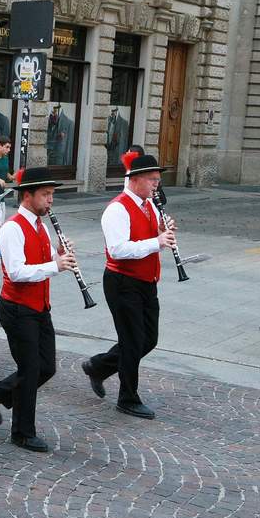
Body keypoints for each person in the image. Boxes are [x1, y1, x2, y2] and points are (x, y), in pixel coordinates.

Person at [0, 168, 78, 452]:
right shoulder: (11, 228)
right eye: (45, 195)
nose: (50, 201)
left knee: (46, 367)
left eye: (52, 195)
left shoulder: (41, 227)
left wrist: (59, 255)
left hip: (39, 306)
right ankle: (22, 432)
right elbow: (18, 271)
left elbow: (44, 263)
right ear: (27, 195)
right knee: (30, 369)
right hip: (17, 308)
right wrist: (54, 266)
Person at [81, 151, 176, 420]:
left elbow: (149, 236)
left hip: (146, 281)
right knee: (132, 341)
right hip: (122, 281)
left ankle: (99, 366)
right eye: (152, 180)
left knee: (149, 339)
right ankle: (128, 398)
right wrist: (156, 242)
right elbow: (118, 249)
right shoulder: (117, 209)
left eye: (158, 180)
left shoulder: (150, 205)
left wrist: (162, 233)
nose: (157, 184)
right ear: (135, 179)